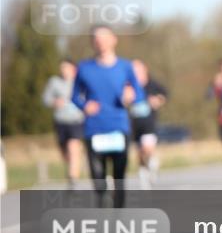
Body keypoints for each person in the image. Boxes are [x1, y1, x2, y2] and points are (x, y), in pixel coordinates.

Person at [72, 25, 146, 208]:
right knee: (99, 179)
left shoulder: (125, 67)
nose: (101, 42)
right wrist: (84, 105)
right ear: (92, 43)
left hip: (119, 127)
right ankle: (103, 212)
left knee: (119, 177)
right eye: (96, 39)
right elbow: (74, 96)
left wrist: (131, 95)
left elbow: (139, 93)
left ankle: (119, 213)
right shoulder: (84, 68)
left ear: (114, 39)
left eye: (104, 37)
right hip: (94, 128)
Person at [42, 58, 86, 187]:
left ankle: (73, 179)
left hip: (77, 120)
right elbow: (45, 99)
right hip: (60, 121)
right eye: (62, 68)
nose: (63, 70)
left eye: (66, 67)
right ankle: (73, 167)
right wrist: (54, 102)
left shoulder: (80, 82)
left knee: (73, 147)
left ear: (73, 69)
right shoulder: (54, 82)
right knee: (65, 153)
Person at [129, 59, 168, 189]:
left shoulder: (152, 84)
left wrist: (158, 100)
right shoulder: (128, 84)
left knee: (147, 148)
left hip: (149, 122)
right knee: (139, 152)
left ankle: (152, 164)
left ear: (144, 69)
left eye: (138, 69)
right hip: (134, 122)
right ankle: (144, 174)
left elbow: (164, 94)